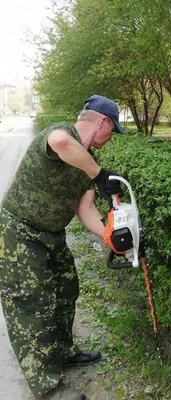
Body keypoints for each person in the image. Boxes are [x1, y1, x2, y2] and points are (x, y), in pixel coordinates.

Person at [0, 95, 126, 400]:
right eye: (112, 131)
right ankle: (47, 388)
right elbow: (60, 142)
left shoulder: (85, 164)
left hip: (52, 236)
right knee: (34, 306)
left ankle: (64, 351)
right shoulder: (62, 133)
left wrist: (112, 237)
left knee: (67, 290)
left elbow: (85, 210)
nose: (110, 139)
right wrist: (99, 173)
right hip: (19, 233)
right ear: (102, 122)